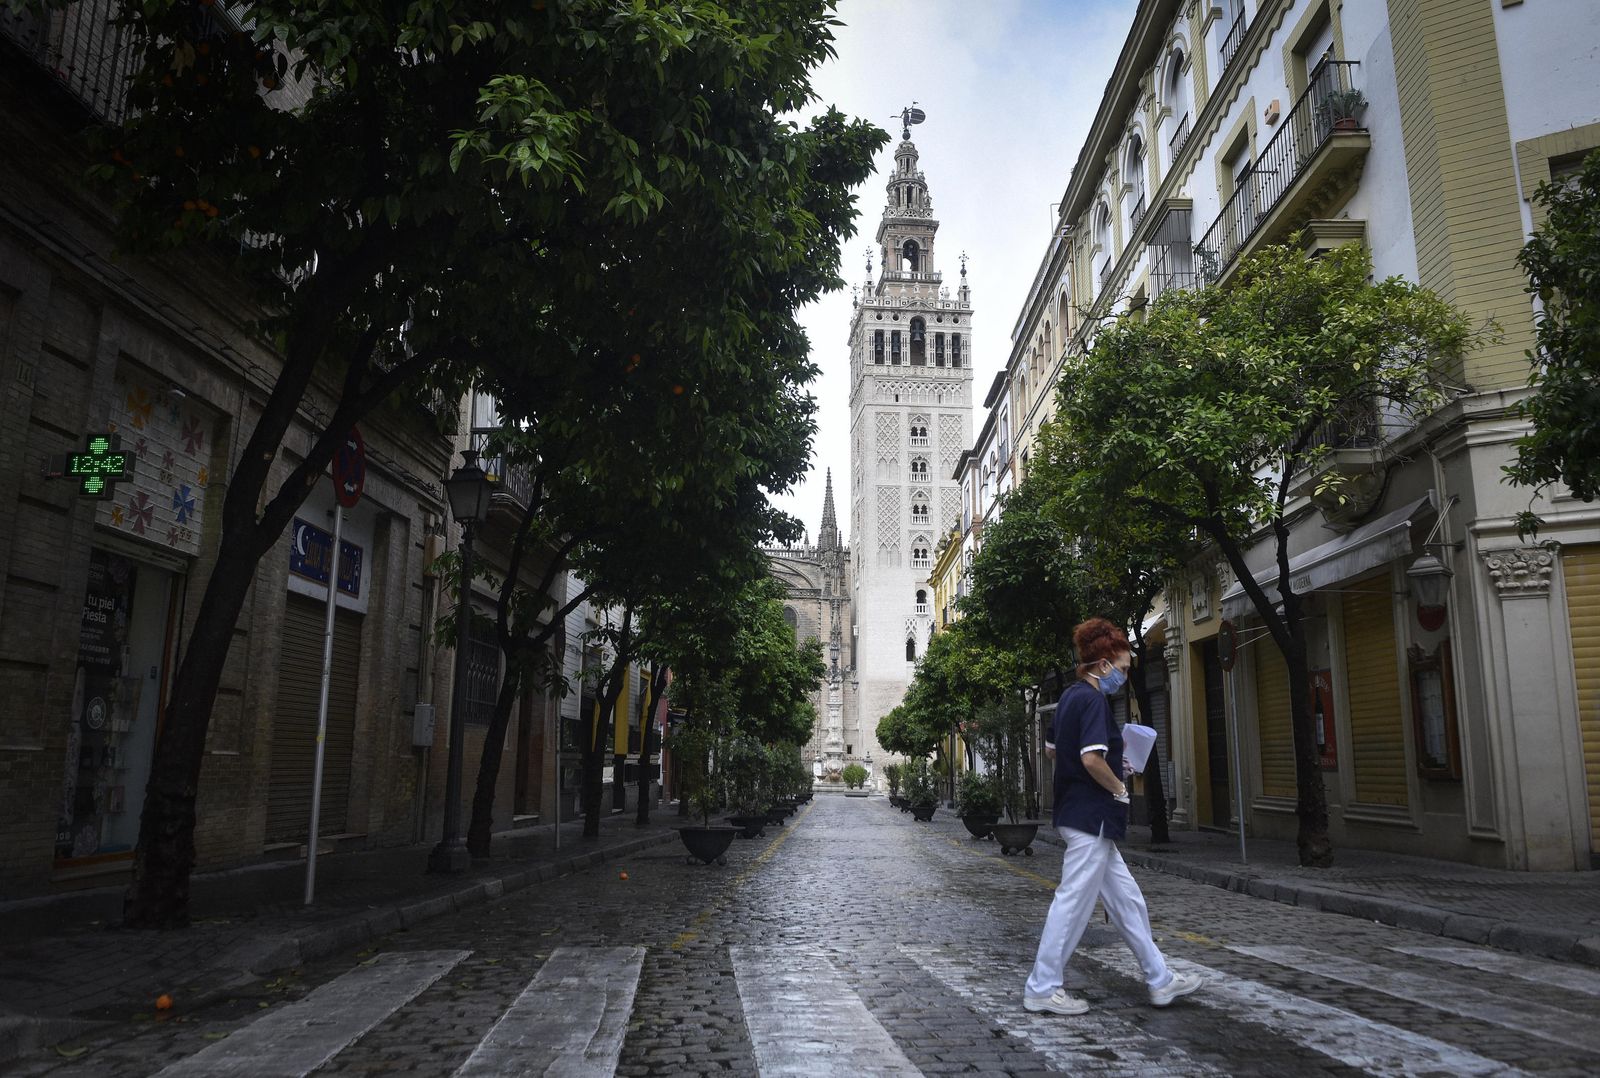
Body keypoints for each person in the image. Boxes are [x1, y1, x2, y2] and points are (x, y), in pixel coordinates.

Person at [1023, 616, 1202, 1016]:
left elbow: (1054, 751)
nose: (1123, 676)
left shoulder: (1069, 697)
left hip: (1081, 813)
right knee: (1072, 904)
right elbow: (1090, 759)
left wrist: (1107, 762)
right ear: (1102, 665)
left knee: (1127, 901)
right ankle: (1042, 986)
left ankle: (1159, 978)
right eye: (1121, 668)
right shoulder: (1092, 700)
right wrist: (1119, 788)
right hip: (1092, 816)